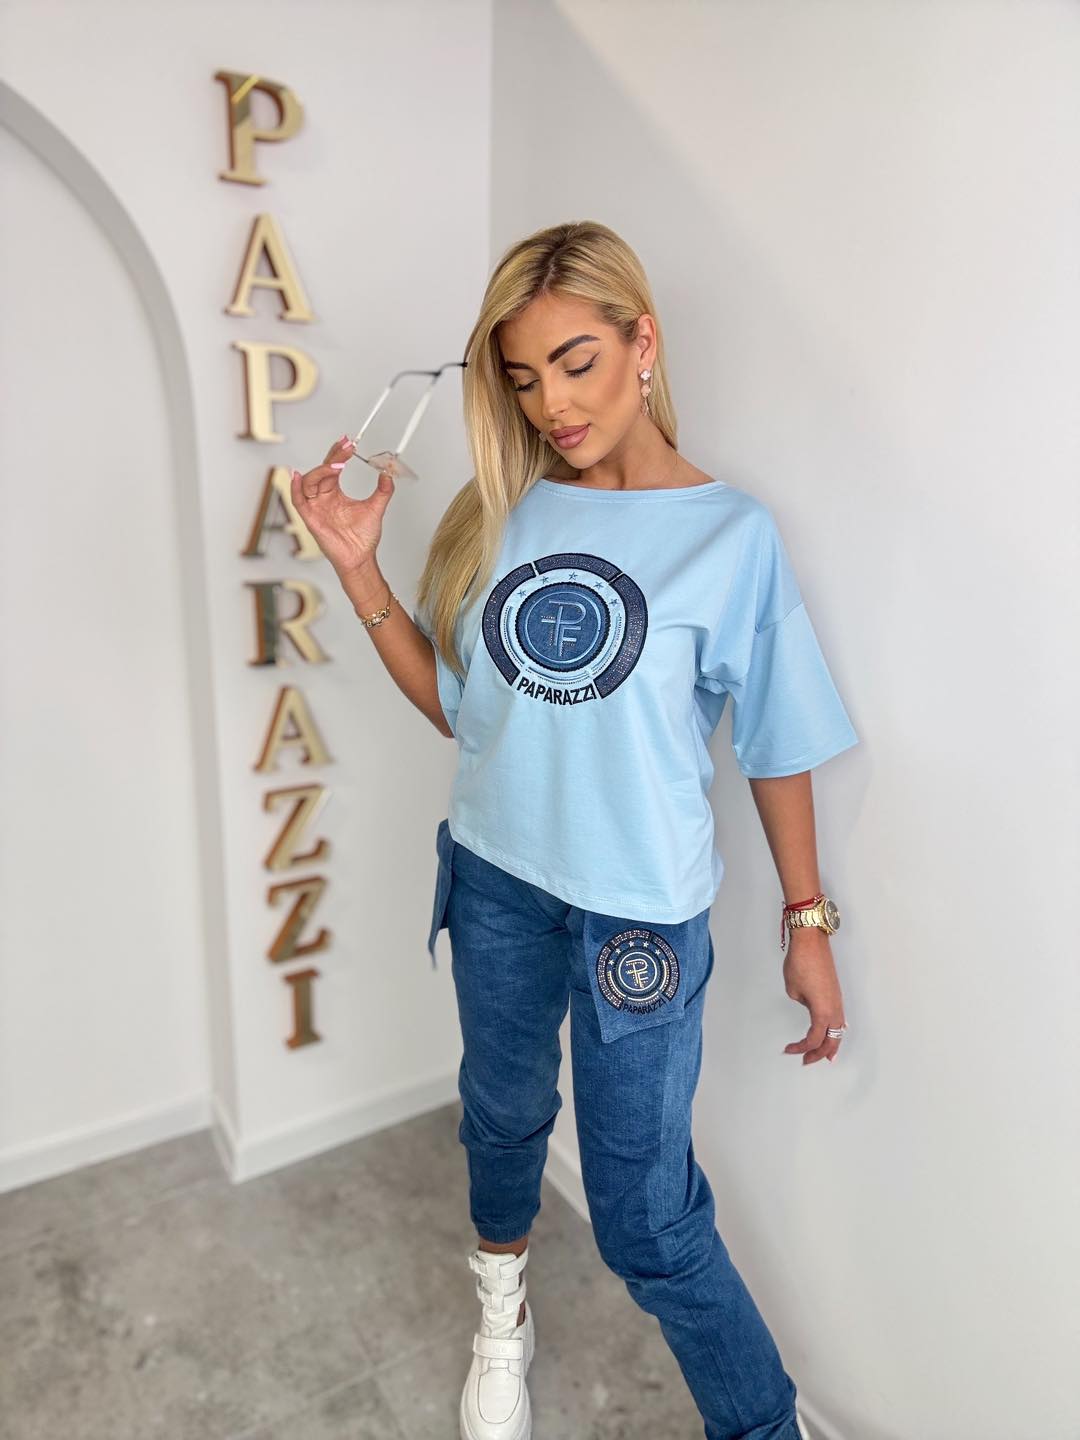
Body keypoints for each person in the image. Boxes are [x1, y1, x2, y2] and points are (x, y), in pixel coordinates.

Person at [292, 220, 856, 1440]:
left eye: (577, 361)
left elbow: (777, 742)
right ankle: (501, 1309)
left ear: (643, 343)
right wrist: (358, 569)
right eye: (524, 378)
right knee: (501, 1117)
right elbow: (462, 712)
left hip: (639, 916)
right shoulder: (505, 512)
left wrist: (808, 921)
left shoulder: (731, 536)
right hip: (496, 877)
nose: (552, 404)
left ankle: (763, 1426)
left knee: (647, 1219)